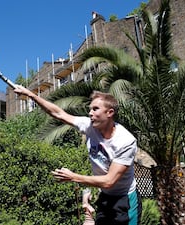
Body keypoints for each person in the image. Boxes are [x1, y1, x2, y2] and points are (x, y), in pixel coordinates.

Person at [13, 85, 142, 225]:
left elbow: (109, 181)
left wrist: (73, 177)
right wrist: (30, 95)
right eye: (90, 109)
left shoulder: (125, 141)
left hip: (125, 200)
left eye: (95, 109)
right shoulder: (89, 126)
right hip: (105, 196)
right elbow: (59, 114)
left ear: (109, 112)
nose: (90, 113)